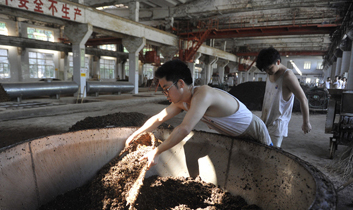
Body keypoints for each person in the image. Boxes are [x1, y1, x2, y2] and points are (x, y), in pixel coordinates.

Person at [125, 59, 272, 169]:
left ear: (181, 84)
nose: (165, 94)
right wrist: (135, 134)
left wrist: (156, 151)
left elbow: (184, 128)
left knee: (267, 163)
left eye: (166, 88)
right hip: (233, 133)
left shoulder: (203, 94)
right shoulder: (181, 102)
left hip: (253, 129)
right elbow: (159, 118)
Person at [256, 47, 311, 148]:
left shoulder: (288, 76)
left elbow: (303, 99)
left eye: (269, 68)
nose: (267, 71)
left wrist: (306, 122)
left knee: (272, 154)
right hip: (265, 120)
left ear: (278, 62)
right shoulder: (270, 73)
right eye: (265, 70)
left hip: (277, 124)